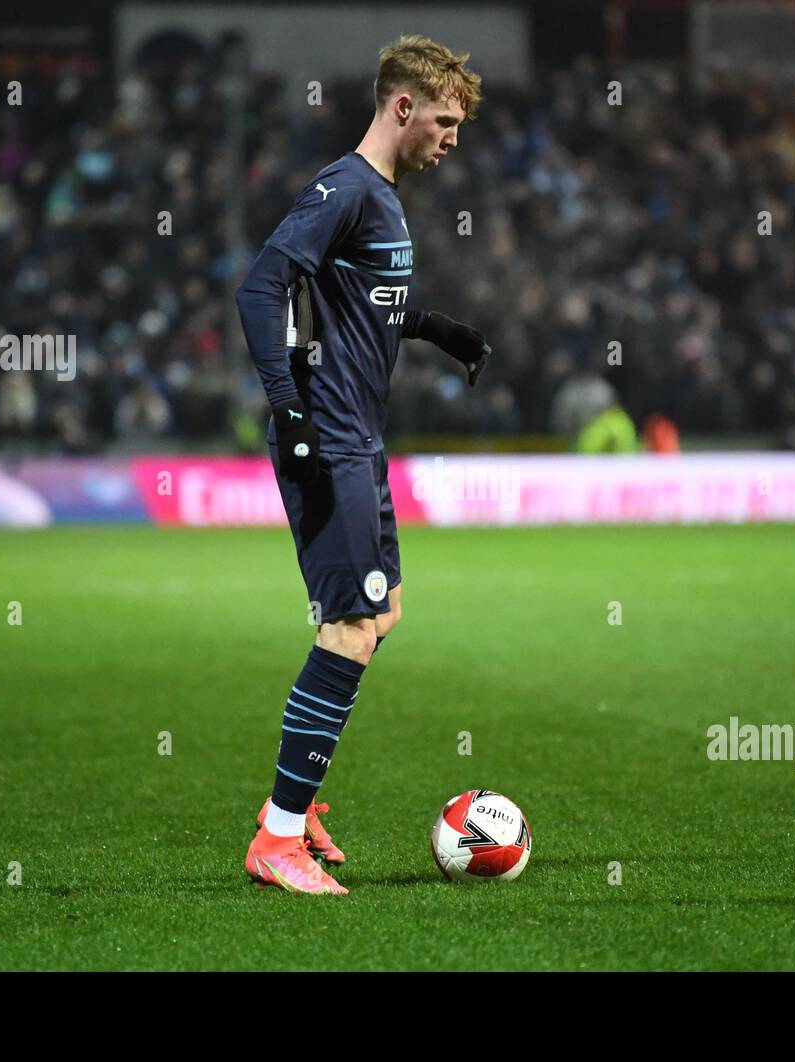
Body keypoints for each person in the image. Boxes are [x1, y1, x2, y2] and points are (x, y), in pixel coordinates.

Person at [234, 35, 489, 894]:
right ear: (402, 107)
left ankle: (298, 809)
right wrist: (287, 405)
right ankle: (276, 839)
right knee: (347, 628)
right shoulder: (346, 188)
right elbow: (261, 286)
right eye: (446, 121)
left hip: (360, 442)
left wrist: (436, 327)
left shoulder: (381, 197)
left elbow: (366, 303)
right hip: (328, 438)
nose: (453, 139)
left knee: (382, 618)